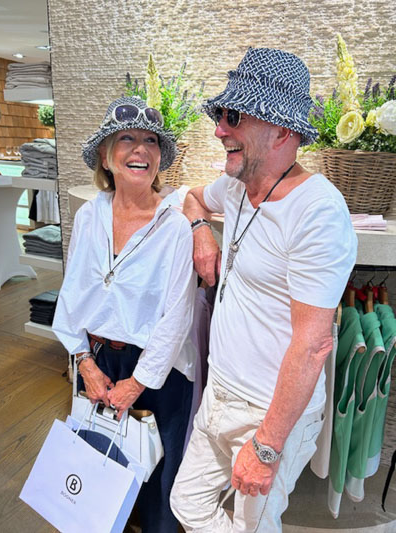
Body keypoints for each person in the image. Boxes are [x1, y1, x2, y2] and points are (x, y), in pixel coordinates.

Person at [170, 47, 357, 532]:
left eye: (233, 116)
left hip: (266, 415)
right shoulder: (235, 187)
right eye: (220, 115)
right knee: (186, 504)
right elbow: (191, 198)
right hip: (220, 394)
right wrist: (201, 231)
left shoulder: (317, 211)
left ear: (281, 131)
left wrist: (267, 446)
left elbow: (314, 344)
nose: (219, 129)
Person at [52, 96, 196, 533]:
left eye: (151, 141)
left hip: (158, 372)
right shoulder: (90, 215)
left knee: (157, 483)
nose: (140, 149)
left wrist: (138, 382)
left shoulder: (174, 226)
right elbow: (73, 291)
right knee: (96, 469)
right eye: (127, 138)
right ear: (105, 155)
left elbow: (178, 316)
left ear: (160, 157)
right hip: (97, 363)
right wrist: (84, 361)